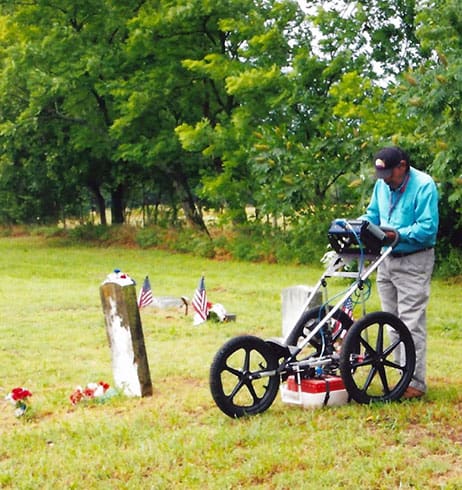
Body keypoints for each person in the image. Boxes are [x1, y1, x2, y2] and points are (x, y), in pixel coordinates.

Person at [360, 146, 439, 399]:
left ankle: (415, 384)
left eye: (389, 175)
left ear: (402, 166)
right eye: (381, 175)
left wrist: (399, 234)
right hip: (386, 260)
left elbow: (428, 228)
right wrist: (357, 227)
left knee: (411, 322)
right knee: (392, 323)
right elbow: (372, 215)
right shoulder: (382, 186)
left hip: (414, 260)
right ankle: (401, 375)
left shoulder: (424, 185)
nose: (385, 180)